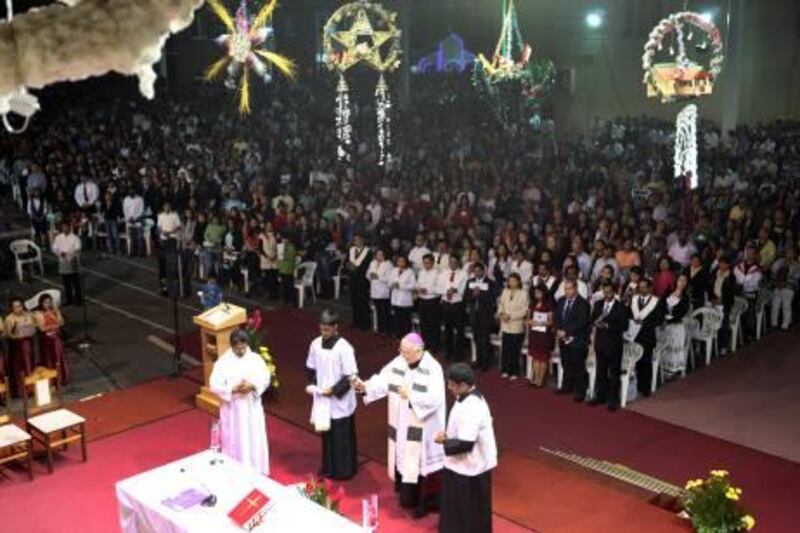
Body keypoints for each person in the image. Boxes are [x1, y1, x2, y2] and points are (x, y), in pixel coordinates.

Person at [353, 333, 446, 518]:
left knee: (420, 465)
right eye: (401, 350)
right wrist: (366, 386)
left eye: (406, 352)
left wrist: (412, 395)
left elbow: (435, 399)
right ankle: (408, 498)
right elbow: (384, 378)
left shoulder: (433, 368)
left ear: (419, 350)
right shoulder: (400, 361)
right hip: (403, 422)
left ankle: (424, 503)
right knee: (405, 459)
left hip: (424, 428)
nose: (401, 354)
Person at [436, 363, 497, 533]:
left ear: (463, 385)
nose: (448, 388)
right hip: (467, 467)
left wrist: (444, 441)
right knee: (464, 510)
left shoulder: (472, 407)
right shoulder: (467, 396)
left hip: (469, 469)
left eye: (451, 384)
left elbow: (465, 444)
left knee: (467, 513)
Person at [305, 310, 359, 480]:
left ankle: (344, 470)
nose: (324, 333)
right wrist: (317, 387)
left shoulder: (344, 348)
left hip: (339, 398)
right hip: (323, 397)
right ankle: (328, 467)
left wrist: (334, 391)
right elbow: (310, 368)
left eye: (327, 329)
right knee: (326, 433)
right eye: (322, 329)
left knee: (341, 435)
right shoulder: (315, 344)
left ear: (335, 328)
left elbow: (351, 376)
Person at [209, 328, 271, 474]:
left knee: (253, 438)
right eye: (237, 348)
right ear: (232, 346)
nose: (241, 351)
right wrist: (233, 389)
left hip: (251, 407)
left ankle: (256, 470)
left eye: (243, 347)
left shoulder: (255, 359)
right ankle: (235, 471)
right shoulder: (223, 361)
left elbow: (265, 377)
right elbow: (214, 384)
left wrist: (252, 385)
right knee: (236, 440)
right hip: (233, 409)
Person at [590, 281, 627, 411]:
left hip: (614, 344)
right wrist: (595, 323)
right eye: (604, 292)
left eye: (609, 292)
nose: (607, 295)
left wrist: (607, 325)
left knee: (614, 373)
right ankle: (600, 396)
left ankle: (613, 400)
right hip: (600, 343)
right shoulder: (598, 304)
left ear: (614, 292)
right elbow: (592, 318)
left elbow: (624, 326)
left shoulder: (620, 306)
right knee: (601, 371)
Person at [553, 280, 591, 402]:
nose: (567, 291)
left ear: (576, 288)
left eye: (570, 288)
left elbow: (581, 322)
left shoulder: (583, 304)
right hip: (563, 339)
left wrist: (567, 332)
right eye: (565, 289)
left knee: (579, 366)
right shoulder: (561, 300)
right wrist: (559, 331)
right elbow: (557, 316)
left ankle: (581, 391)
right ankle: (567, 386)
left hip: (578, 340)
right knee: (566, 363)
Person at [629, 278, 662, 397]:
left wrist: (645, 324)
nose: (642, 289)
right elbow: (630, 314)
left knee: (646, 362)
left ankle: (645, 388)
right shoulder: (634, 299)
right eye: (640, 287)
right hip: (634, 335)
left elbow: (658, 320)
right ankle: (635, 386)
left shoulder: (655, 301)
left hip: (647, 336)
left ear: (649, 288)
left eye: (644, 287)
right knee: (635, 362)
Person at [465, 262, 499, 371]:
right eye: (475, 271)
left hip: (485, 315)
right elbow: (466, 296)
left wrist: (480, 294)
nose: (477, 273)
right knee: (476, 338)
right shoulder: (470, 282)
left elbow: (493, 298)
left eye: (479, 270)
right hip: (474, 315)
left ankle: (485, 363)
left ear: (483, 271)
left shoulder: (490, 282)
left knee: (484, 340)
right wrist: (473, 295)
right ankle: (478, 361)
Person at [4, 297, 37, 396]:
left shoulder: (28, 315)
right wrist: (18, 336)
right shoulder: (9, 318)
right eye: (15, 307)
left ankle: (32, 387)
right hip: (17, 347)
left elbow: (35, 327)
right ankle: (21, 390)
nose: (18, 308)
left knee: (30, 364)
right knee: (19, 368)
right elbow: (7, 334)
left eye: (19, 306)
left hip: (29, 343)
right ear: (11, 308)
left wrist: (30, 331)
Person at [498, 273, 529, 379]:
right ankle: (505, 370)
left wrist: (511, 316)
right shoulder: (505, 291)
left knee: (514, 350)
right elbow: (500, 305)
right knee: (505, 349)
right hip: (505, 325)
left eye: (514, 281)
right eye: (509, 281)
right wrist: (501, 314)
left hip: (516, 325)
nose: (511, 283)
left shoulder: (523, 293)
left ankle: (514, 372)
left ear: (519, 282)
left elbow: (524, 310)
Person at [437, 255, 467, 361]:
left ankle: (459, 354)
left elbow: (463, 288)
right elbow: (439, 287)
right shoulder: (444, 273)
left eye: (455, 262)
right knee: (448, 329)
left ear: (458, 263)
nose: (453, 264)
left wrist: (455, 290)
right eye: (451, 262)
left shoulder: (463, 273)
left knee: (459, 330)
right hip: (446, 303)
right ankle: (448, 352)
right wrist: (447, 290)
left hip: (457, 303)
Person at [660, 273, 691, 377]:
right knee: (664, 346)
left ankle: (673, 369)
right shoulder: (668, 293)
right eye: (680, 280)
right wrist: (663, 318)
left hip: (676, 325)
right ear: (676, 281)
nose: (682, 283)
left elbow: (681, 312)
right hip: (664, 324)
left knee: (674, 348)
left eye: (684, 281)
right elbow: (661, 306)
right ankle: (663, 367)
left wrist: (669, 320)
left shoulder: (685, 298)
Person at [35, 293, 68, 385]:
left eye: (49, 302)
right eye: (45, 303)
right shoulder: (39, 313)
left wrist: (57, 312)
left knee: (59, 356)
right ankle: (52, 379)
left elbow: (62, 323)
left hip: (56, 338)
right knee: (48, 358)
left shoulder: (55, 311)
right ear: (41, 303)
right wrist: (54, 326)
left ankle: (61, 377)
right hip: (46, 339)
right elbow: (42, 328)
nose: (48, 305)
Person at [527, 284, 554, 387]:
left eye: (539, 292)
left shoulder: (548, 305)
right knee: (535, 356)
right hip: (534, 334)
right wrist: (531, 322)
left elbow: (551, 322)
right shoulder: (532, 304)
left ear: (544, 293)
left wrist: (543, 323)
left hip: (544, 335)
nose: (537, 294)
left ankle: (540, 380)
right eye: (535, 293)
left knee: (542, 357)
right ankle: (535, 378)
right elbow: (527, 320)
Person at [51, 222, 82, 306]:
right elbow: (54, 247)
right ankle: (69, 299)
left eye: (66, 227)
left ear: (69, 227)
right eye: (63, 227)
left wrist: (68, 253)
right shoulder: (58, 237)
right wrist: (60, 253)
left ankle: (78, 300)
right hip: (62, 262)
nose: (64, 229)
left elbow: (77, 248)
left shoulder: (75, 238)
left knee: (76, 283)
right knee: (66, 283)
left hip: (73, 262)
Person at [416, 254, 441, 352]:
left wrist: (427, 290)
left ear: (433, 263)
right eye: (424, 263)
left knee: (433, 324)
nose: (426, 265)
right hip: (422, 300)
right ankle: (425, 343)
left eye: (428, 263)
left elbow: (438, 287)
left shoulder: (437, 273)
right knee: (424, 323)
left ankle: (434, 346)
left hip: (432, 300)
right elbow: (417, 283)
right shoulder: (421, 272)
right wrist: (419, 289)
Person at [156, 201, 182, 296]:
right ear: (163, 207)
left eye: (168, 206)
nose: (167, 207)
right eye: (165, 206)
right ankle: (163, 287)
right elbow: (158, 227)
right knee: (162, 265)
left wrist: (170, 232)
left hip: (172, 240)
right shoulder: (160, 216)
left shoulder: (175, 215)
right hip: (163, 241)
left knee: (171, 264)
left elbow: (179, 226)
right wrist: (163, 233)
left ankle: (173, 288)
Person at [348, 234, 372, 330]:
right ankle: (356, 321)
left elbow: (367, 265)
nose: (356, 241)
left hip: (362, 280)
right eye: (355, 240)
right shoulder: (351, 250)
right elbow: (347, 261)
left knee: (363, 301)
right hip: (353, 279)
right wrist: (349, 266)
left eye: (358, 240)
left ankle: (365, 324)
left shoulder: (367, 252)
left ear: (362, 240)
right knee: (354, 301)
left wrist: (357, 268)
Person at [389, 255, 416, 338]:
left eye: (402, 261)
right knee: (397, 318)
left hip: (405, 300)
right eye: (399, 261)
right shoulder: (394, 270)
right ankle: (398, 335)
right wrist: (392, 284)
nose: (400, 263)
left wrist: (400, 286)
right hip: (396, 298)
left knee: (405, 320)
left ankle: (406, 336)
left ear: (406, 262)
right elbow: (389, 282)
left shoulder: (410, 272)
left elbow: (413, 285)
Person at [367, 249, 392, 334]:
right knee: (378, 310)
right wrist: (370, 276)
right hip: (374, 290)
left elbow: (389, 278)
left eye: (381, 255)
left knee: (384, 311)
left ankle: (386, 330)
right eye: (378, 255)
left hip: (384, 291)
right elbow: (367, 274)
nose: (379, 257)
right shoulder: (372, 263)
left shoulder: (388, 264)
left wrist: (379, 277)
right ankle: (379, 328)